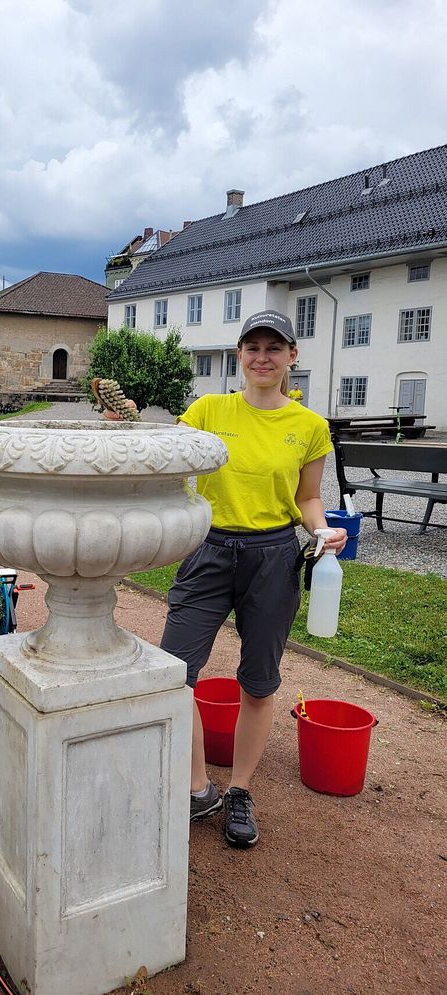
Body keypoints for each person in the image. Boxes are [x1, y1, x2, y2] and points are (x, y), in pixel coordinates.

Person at [161, 309, 347, 848]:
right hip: (208, 548)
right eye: (252, 347)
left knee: (258, 682)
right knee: (176, 673)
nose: (261, 357)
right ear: (239, 355)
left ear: (292, 356)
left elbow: (308, 498)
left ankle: (239, 791)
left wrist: (322, 530)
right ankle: (198, 788)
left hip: (273, 555)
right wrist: (121, 432)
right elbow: (163, 458)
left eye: (273, 348)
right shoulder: (208, 408)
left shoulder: (309, 426)